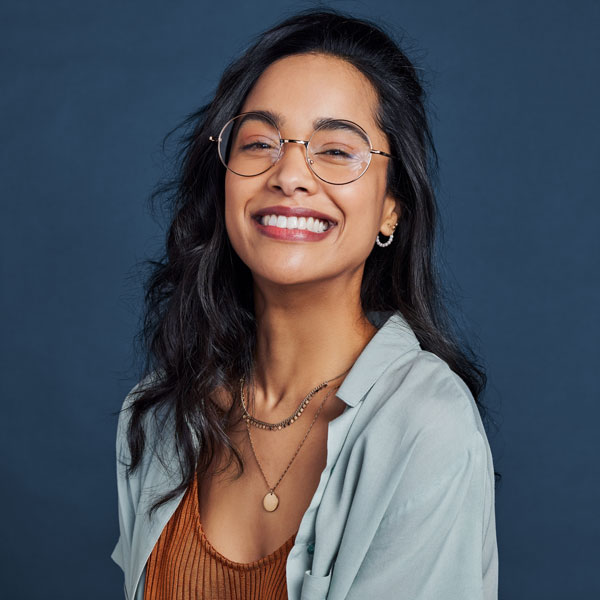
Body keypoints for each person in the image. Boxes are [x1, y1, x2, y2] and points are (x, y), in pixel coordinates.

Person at [111, 9, 499, 600]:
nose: (290, 173)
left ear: (392, 208)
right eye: (260, 142)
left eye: (338, 150)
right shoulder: (159, 414)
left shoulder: (424, 424)